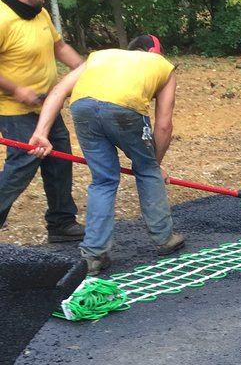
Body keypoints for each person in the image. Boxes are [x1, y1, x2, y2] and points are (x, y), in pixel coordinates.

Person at [27, 35, 185, 275]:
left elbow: (58, 92)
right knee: (147, 171)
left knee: (103, 180)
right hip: (125, 109)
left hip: (82, 108)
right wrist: (154, 164)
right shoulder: (162, 65)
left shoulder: (99, 57)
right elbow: (164, 125)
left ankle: (93, 255)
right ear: (155, 52)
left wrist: (40, 133)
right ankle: (164, 239)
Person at [0, 0, 85, 242]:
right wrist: (17, 89)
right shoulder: (2, 19)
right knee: (23, 163)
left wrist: (84, 70)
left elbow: (59, 47)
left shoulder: (40, 14)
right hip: (14, 109)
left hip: (48, 105)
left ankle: (61, 223)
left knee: (60, 159)